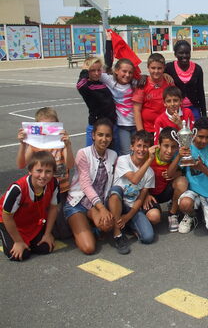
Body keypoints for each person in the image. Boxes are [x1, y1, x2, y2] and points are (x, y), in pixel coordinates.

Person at [16, 107, 75, 239]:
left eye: (52, 126)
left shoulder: (60, 143)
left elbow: (70, 164)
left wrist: (68, 145)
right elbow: (21, 164)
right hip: (41, 192)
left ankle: (50, 228)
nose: (47, 129)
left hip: (61, 189)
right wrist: (22, 144)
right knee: (40, 223)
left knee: (64, 233)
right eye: (44, 126)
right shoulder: (34, 144)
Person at [64, 118, 117, 255]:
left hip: (94, 206)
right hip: (79, 203)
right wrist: (103, 209)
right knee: (89, 248)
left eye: (107, 135)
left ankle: (91, 226)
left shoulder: (113, 155)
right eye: (100, 135)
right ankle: (78, 226)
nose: (104, 139)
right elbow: (86, 185)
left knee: (107, 226)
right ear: (93, 135)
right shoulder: (83, 153)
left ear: (111, 137)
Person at [170, 117, 208, 239]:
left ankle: (205, 213)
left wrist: (202, 168)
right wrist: (178, 156)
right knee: (185, 203)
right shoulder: (186, 145)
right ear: (194, 133)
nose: (204, 141)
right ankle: (192, 215)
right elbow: (170, 173)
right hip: (192, 191)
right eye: (200, 136)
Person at [0, 151, 59, 261]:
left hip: (31, 220)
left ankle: (29, 238)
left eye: (48, 172)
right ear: (30, 170)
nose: (43, 176)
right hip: (7, 220)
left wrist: (47, 234)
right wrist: (18, 242)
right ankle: (4, 233)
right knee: (19, 255)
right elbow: (6, 216)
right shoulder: (18, 189)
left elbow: (53, 208)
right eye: (39, 171)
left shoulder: (54, 183)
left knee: (44, 248)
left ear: (53, 172)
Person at [107, 131, 157, 254]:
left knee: (148, 237)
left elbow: (141, 198)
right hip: (117, 203)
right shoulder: (123, 160)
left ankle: (127, 224)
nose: (142, 149)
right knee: (115, 191)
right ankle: (118, 234)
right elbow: (135, 179)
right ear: (132, 147)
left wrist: (127, 217)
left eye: (146, 146)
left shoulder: (150, 173)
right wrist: (150, 160)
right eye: (139, 145)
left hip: (131, 207)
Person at [102, 31, 137, 155]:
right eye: (124, 71)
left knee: (137, 153)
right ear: (116, 71)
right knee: (126, 153)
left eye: (130, 72)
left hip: (136, 124)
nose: (127, 75)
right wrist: (109, 41)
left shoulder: (134, 83)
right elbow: (106, 64)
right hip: (122, 126)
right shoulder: (110, 80)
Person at [148, 127, 188, 233]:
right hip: (149, 194)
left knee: (182, 181)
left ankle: (172, 213)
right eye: (166, 146)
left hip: (166, 192)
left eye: (174, 147)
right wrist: (144, 195)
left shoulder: (177, 156)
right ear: (159, 144)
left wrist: (178, 172)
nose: (169, 151)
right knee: (154, 217)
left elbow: (178, 173)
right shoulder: (149, 154)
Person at [77, 56, 117, 148]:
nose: (96, 73)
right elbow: (80, 85)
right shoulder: (87, 86)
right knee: (91, 156)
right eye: (92, 70)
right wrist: (84, 71)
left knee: (112, 155)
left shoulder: (102, 83)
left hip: (111, 125)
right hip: (96, 126)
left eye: (99, 70)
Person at [165, 40, 206, 120]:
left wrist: (204, 114)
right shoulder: (169, 68)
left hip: (193, 108)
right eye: (181, 53)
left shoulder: (197, 69)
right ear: (175, 54)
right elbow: (155, 73)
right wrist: (163, 74)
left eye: (187, 53)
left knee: (194, 130)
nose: (184, 56)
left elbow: (201, 92)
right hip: (175, 109)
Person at [133, 53, 174, 133]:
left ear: (164, 68)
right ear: (148, 68)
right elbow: (136, 110)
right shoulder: (142, 84)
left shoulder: (169, 82)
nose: (156, 71)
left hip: (166, 129)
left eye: (159, 68)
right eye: (153, 68)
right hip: (148, 130)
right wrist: (141, 131)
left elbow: (175, 103)